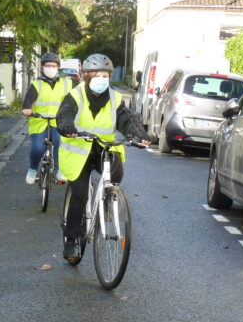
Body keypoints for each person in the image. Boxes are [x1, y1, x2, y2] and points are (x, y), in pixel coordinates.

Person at [56, 53, 150, 262]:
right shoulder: (75, 95)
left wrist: (139, 135)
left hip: (104, 149)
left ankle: (107, 197)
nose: (102, 79)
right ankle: (71, 241)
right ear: (87, 77)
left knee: (116, 172)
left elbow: (126, 120)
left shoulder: (115, 98)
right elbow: (65, 114)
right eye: (97, 75)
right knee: (80, 195)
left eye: (105, 75)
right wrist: (67, 127)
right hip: (78, 152)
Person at [21, 52, 72, 185]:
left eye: (53, 65)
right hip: (39, 121)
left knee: (60, 143)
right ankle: (32, 169)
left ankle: (60, 170)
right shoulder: (37, 84)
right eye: (47, 65)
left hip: (58, 121)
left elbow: (72, 101)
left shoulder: (66, 83)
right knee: (37, 147)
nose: (50, 68)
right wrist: (27, 109)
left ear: (58, 67)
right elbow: (27, 101)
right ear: (42, 67)